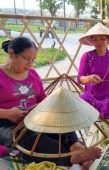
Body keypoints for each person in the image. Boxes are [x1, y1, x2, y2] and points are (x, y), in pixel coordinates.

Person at [0, 37, 102, 169]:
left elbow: (43, 98)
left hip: (34, 119)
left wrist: (49, 108)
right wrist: (8, 114)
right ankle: (71, 157)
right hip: (7, 125)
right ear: (12, 53)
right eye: (27, 59)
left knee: (61, 118)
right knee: (29, 139)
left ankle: (75, 146)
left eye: (33, 60)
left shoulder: (32, 74)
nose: (30, 64)